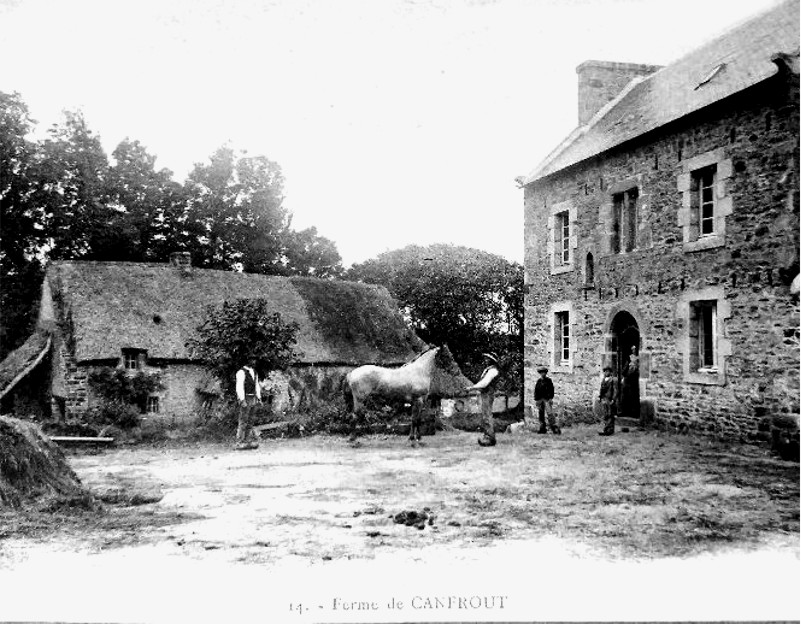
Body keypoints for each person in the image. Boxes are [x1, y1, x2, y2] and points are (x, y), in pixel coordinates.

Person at [469, 352, 501, 447]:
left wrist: (472, 388)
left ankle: (489, 438)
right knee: (485, 415)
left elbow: (484, 383)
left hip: (488, 394)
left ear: (491, 360)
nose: (485, 360)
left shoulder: (493, 370)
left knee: (487, 415)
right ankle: (487, 436)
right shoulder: (488, 369)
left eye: (487, 358)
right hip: (485, 393)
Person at [234, 360, 262, 450]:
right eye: (252, 359)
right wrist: (242, 400)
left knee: (250, 420)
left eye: (255, 360)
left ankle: (247, 440)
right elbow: (239, 387)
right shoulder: (241, 372)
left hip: (253, 398)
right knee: (243, 420)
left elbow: (256, 385)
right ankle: (239, 441)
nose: (254, 362)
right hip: (245, 397)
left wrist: (259, 397)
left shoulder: (254, 372)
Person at [534, 365, 560, 434]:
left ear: (546, 373)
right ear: (540, 373)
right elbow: (536, 391)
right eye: (541, 372)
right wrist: (536, 400)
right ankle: (542, 428)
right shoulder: (538, 381)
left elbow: (552, 390)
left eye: (544, 372)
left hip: (547, 399)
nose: (542, 374)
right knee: (541, 414)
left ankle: (554, 428)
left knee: (550, 413)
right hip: (540, 400)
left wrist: (551, 398)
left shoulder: (548, 381)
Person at [621, 346, 640, 420]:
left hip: (635, 379)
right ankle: (624, 411)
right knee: (625, 395)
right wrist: (623, 376)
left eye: (635, 349)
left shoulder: (639, 358)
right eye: (632, 349)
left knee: (634, 396)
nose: (633, 350)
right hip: (628, 378)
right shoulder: (629, 358)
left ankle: (634, 412)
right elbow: (625, 368)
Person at [598, 365, 617, 436]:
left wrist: (613, 399)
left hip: (609, 399)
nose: (606, 373)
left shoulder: (613, 380)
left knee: (610, 414)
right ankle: (606, 429)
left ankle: (609, 430)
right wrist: (600, 397)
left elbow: (615, 390)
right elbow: (601, 389)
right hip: (604, 398)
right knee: (605, 414)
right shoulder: (603, 380)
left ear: (610, 372)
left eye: (607, 371)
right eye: (605, 371)